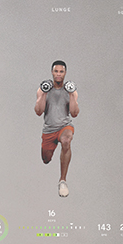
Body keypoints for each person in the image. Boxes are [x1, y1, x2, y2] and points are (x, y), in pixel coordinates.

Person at [34, 60, 80, 197]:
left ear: (65, 73)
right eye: (56, 71)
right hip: (49, 129)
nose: (58, 74)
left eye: (61, 71)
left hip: (64, 126)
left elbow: (74, 113)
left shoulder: (71, 91)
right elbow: (38, 111)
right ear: (52, 72)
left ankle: (62, 181)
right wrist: (43, 94)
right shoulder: (43, 89)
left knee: (66, 140)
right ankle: (49, 153)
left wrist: (72, 95)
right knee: (46, 159)